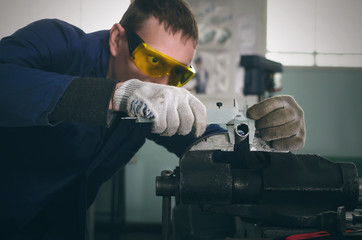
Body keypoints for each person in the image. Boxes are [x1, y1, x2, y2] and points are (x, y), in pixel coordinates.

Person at [0, 0, 305, 239]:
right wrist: (118, 94)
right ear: (118, 39)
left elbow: (203, 141)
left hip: (60, 227)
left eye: (178, 73)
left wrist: (262, 140)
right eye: (154, 61)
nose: (162, 84)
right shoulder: (57, 43)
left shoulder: (153, 104)